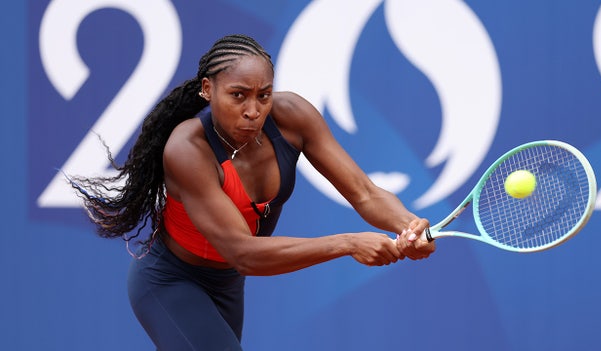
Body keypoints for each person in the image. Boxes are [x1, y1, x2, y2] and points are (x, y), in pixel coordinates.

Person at [70, 34, 435, 350]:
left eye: (264, 95)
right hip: (170, 282)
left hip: (227, 284)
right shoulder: (187, 150)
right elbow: (244, 253)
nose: (253, 111)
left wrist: (408, 225)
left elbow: (365, 193)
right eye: (238, 95)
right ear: (207, 89)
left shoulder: (293, 118)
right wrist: (348, 243)